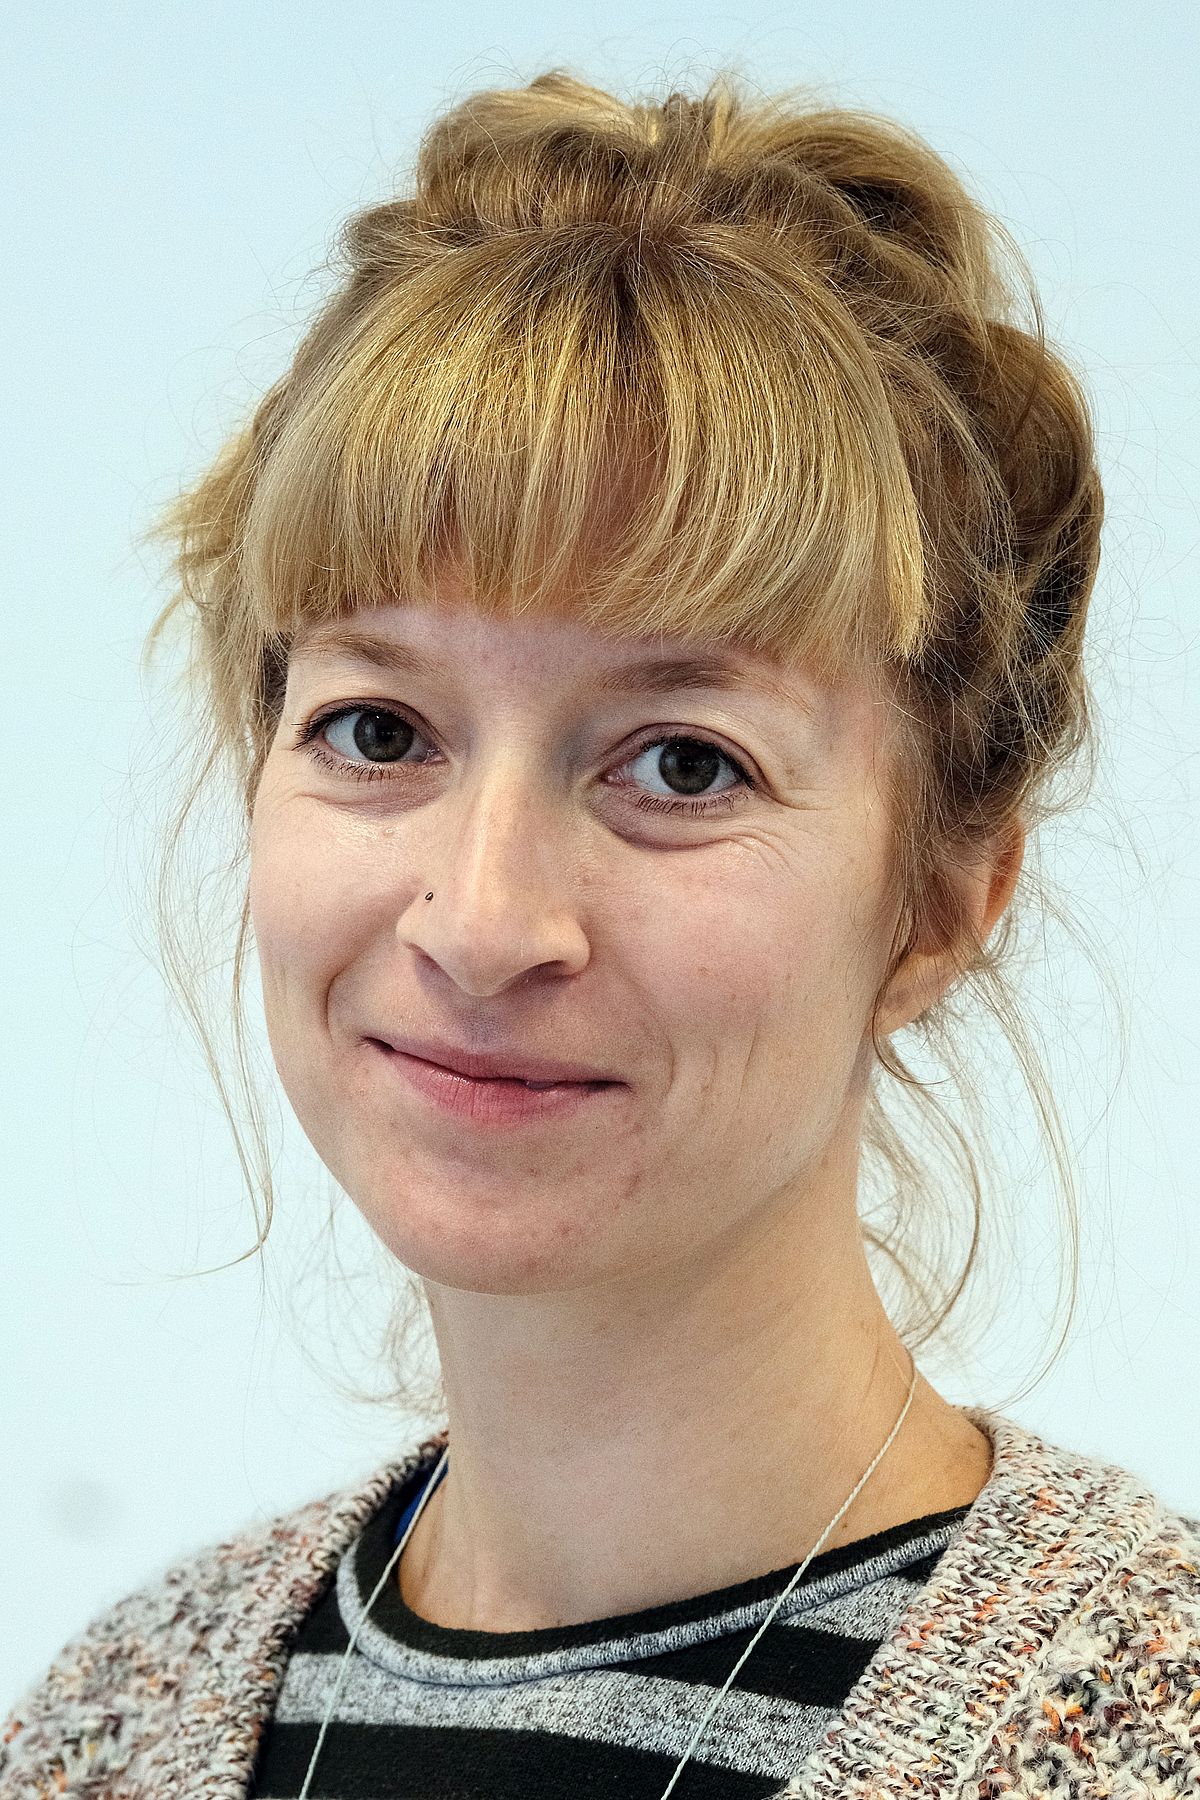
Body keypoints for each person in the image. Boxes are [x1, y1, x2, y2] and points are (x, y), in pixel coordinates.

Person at [3, 68, 1197, 1800]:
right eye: (379, 729)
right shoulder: (102, 1735)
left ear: (945, 898)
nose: (483, 922)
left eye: (683, 763)